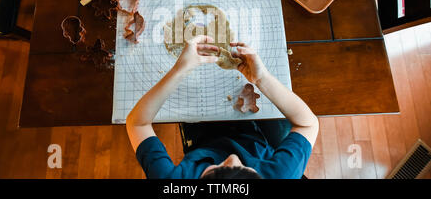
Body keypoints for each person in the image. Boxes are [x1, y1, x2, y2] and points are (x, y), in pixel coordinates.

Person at [126, 35, 319, 179]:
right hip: (259, 142)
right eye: (243, 167)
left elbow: (137, 124)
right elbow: (308, 125)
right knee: (281, 122)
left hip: (203, 142)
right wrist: (262, 78)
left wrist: (180, 69)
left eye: (219, 167)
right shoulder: (281, 174)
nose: (233, 157)